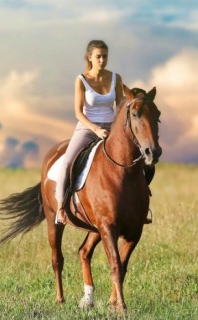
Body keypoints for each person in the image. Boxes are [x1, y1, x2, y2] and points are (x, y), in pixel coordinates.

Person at [55, 39, 124, 224]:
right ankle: (61, 208)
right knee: (68, 162)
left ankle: (140, 204)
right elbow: (78, 112)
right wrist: (96, 129)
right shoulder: (81, 80)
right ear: (89, 58)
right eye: (98, 56)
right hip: (87, 128)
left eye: (105, 56)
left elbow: (121, 107)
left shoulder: (116, 78)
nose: (102, 60)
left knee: (138, 160)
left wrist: (117, 128)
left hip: (111, 127)